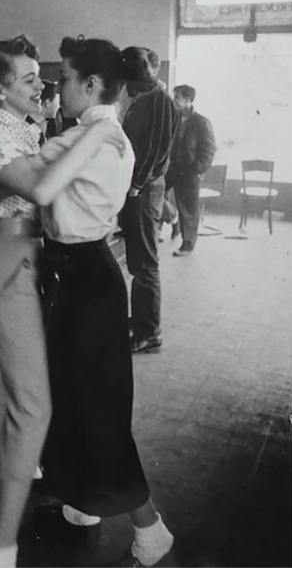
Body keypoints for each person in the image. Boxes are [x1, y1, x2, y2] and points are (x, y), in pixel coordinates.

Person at [0, 36, 174, 568]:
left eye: (65, 78)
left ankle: (152, 530)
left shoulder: (88, 137)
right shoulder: (108, 132)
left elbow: (27, 180)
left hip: (84, 280)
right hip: (86, 274)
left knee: (97, 410)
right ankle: (82, 507)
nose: (57, 87)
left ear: (91, 84)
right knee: (75, 400)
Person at [0, 35, 121, 568]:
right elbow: (41, 186)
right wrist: (98, 131)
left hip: (31, 264)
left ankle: (45, 476)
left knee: (47, 393)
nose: (42, 84)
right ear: (0, 89)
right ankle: (0, 548)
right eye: (28, 78)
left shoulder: (22, 128)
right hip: (9, 269)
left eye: (42, 77)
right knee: (34, 408)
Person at [118, 47, 178, 354]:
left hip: (144, 189)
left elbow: (156, 149)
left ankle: (149, 332)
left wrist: (136, 185)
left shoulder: (159, 101)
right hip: (139, 188)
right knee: (140, 262)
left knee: (145, 264)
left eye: (129, 81)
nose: (126, 88)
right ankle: (142, 321)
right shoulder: (145, 99)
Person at [167, 84, 216, 257]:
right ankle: (173, 219)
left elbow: (209, 150)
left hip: (190, 172)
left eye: (178, 98)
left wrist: (197, 169)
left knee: (189, 209)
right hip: (173, 169)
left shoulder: (201, 122)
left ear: (188, 101)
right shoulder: (174, 118)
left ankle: (187, 245)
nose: (174, 101)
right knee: (155, 193)